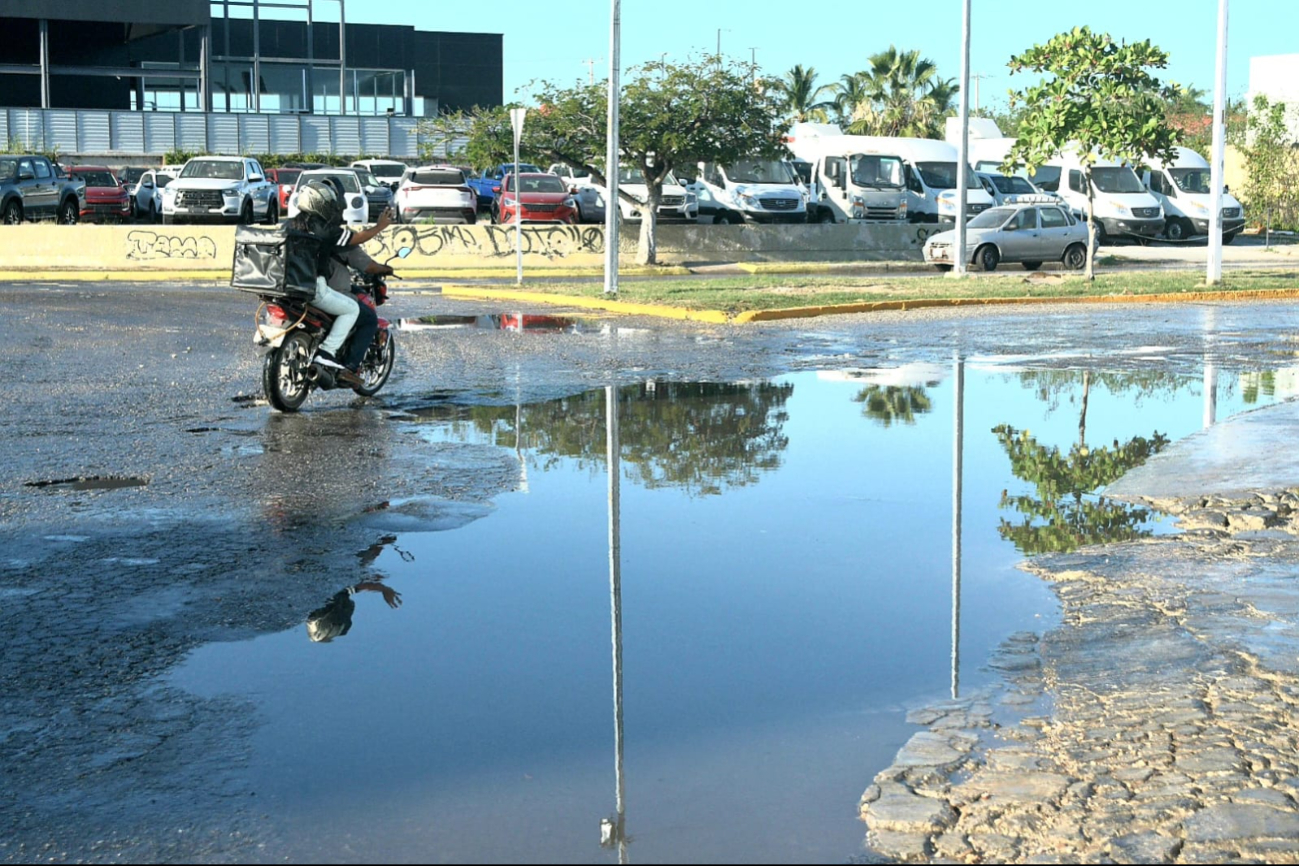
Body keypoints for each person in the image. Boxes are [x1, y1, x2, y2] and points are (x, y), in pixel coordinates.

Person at [291, 181, 394, 379]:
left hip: (293, 285)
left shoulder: (291, 225)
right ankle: (330, 355)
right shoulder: (327, 230)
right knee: (355, 311)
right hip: (316, 288)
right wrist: (380, 226)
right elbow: (358, 240)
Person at [306, 576, 403, 643]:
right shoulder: (334, 592)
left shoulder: (332, 590)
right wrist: (383, 589)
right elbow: (361, 586)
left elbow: (362, 586)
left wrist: (384, 589)